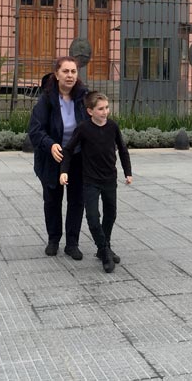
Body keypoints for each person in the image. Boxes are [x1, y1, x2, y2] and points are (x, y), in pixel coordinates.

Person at [60, 91, 132, 273]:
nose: (105, 112)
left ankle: (103, 247)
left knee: (111, 215)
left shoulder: (113, 127)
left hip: (109, 179)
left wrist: (128, 172)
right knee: (93, 218)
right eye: (100, 109)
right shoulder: (83, 129)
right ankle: (105, 252)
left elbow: (122, 150)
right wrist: (64, 172)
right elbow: (68, 150)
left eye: (107, 108)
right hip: (90, 181)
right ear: (90, 111)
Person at [28, 56, 88, 260]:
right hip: (52, 156)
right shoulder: (47, 98)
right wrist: (50, 144)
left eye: (73, 71)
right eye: (65, 71)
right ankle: (53, 239)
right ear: (56, 74)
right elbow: (35, 130)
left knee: (76, 200)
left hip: (77, 157)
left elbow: (95, 123)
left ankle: (72, 243)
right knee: (52, 200)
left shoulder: (84, 97)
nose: (70, 75)